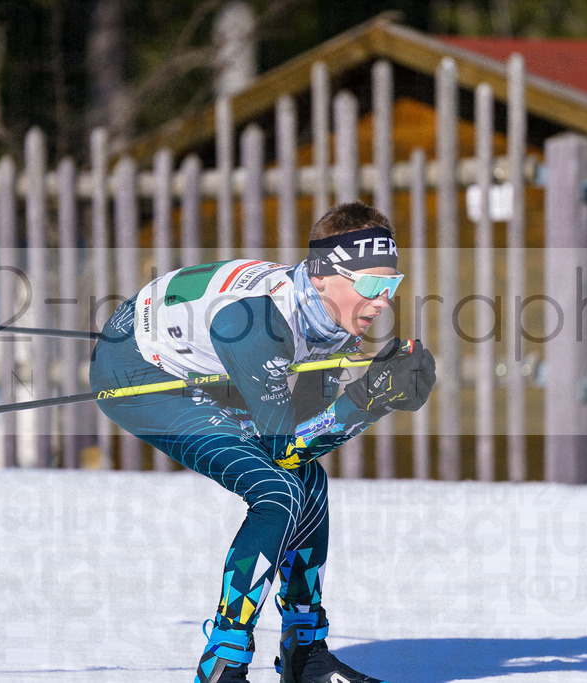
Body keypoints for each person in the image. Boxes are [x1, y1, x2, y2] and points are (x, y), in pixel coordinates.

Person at [89, 202, 436, 683]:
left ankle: (305, 653)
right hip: (138, 370)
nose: (383, 303)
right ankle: (223, 661)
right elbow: (285, 447)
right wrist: (369, 400)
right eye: (372, 286)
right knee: (276, 490)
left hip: (202, 353)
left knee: (307, 482)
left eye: (390, 285)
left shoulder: (331, 319)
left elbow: (308, 435)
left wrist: (373, 396)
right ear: (320, 275)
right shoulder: (259, 323)